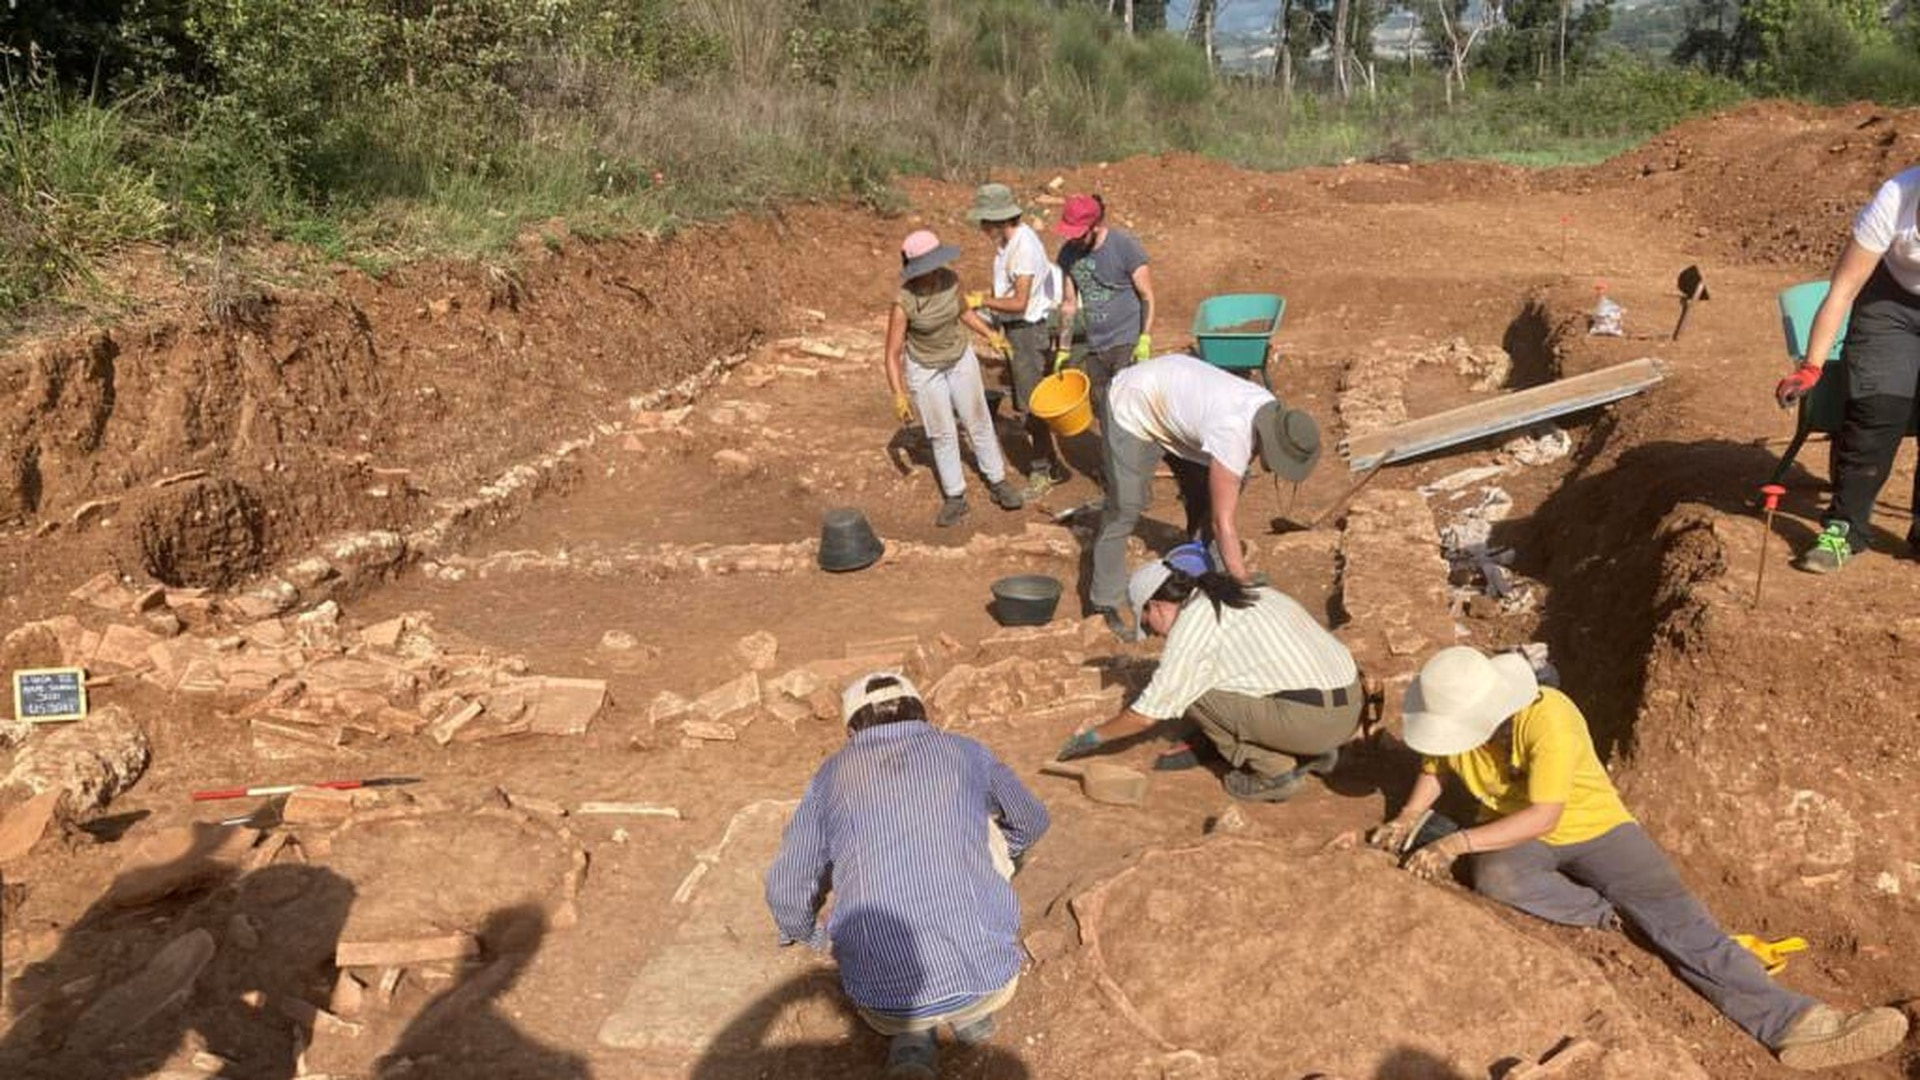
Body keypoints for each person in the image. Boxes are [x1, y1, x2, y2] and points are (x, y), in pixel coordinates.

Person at [1371, 646, 1909, 1072]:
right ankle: (1616, 916)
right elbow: (1434, 769)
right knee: (1497, 876)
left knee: (1685, 926)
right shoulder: (1457, 720)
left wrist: (1454, 842)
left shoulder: (1548, 718)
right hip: (1521, 835)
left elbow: (1544, 818)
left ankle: (1797, 1023)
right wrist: (1407, 818)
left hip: (1598, 830)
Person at [765, 672, 1051, 1080]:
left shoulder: (831, 775)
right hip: (992, 979)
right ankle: (972, 1019)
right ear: (922, 712)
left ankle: (913, 1039)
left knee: (862, 884)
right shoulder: (966, 751)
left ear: (851, 729)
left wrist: (817, 938)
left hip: (882, 1001)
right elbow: (1031, 819)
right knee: (977, 831)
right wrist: (1001, 851)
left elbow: (786, 890)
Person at [1054, 550, 1362, 802]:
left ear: (1157, 606)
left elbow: (1146, 716)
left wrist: (1090, 738)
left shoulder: (1194, 625)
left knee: (1191, 692)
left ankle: (1274, 773)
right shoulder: (1242, 591)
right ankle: (1317, 754)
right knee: (1229, 681)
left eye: (1147, 623)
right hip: (1349, 708)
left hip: (1315, 722)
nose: (1153, 634)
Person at [1089, 352, 1322, 639]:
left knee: (1213, 490)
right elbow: (1223, 523)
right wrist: (1243, 585)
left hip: (1174, 405)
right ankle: (1105, 599)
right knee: (1126, 505)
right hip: (1134, 404)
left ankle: (1206, 568)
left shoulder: (1266, 410)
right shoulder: (1234, 432)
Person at [1776, 166, 1920, 572]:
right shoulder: (1897, 196)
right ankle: (1844, 529)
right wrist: (1811, 368)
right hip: (1888, 307)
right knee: (1876, 411)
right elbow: (1842, 291)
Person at [885, 229, 1026, 527]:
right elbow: (892, 353)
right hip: (925, 368)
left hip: (960, 357)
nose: (934, 271)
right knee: (942, 431)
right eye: (928, 266)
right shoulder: (904, 302)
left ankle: (998, 481)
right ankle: (955, 496)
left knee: (977, 419)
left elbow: (963, 312)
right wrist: (899, 394)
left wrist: (990, 335)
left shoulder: (950, 280)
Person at [968, 182, 1069, 497]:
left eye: (985, 222)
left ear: (998, 220)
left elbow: (1020, 302)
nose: (982, 228)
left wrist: (982, 301)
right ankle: (1048, 464)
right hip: (1016, 328)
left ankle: (1045, 470)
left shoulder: (1024, 248)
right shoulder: (1009, 244)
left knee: (1031, 405)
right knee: (1026, 401)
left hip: (1027, 331)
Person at [1055, 193, 1155, 435]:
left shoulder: (1124, 246)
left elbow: (1147, 296)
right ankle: (1111, 462)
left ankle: (1130, 466)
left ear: (1096, 225)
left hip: (1126, 340)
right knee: (1101, 408)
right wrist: (1064, 347)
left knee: (1127, 407)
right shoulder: (1068, 254)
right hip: (1096, 344)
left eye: (1079, 234)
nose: (1074, 240)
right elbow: (1069, 304)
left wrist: (1144, 338)